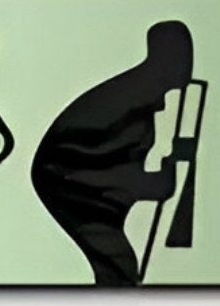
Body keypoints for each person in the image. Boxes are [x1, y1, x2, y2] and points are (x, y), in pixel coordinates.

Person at [29, 20, 196, 287]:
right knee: (118, 267)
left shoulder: (141, 100)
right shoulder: (129, 102)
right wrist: (156, 181)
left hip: (84, 187)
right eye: (181, 59)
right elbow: (104, 166)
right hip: (74, 188)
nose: (186, 69)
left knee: (119, 268)